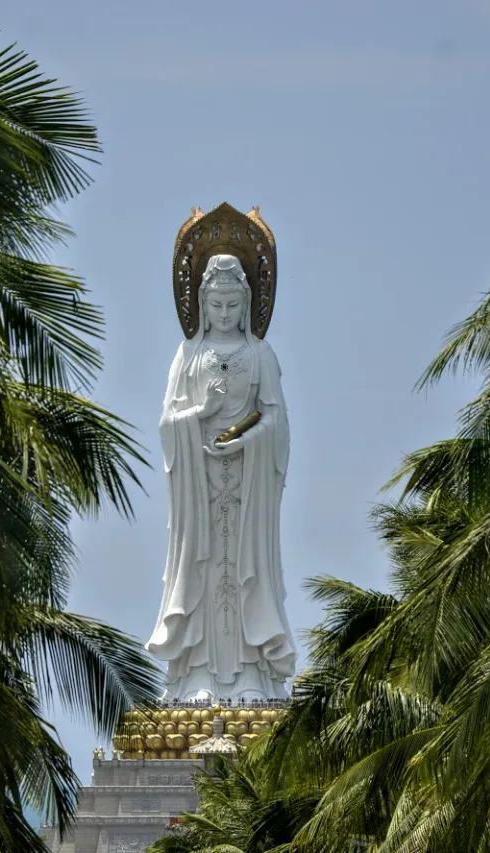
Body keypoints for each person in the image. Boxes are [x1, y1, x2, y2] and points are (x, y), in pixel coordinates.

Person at [147, 254, 297, 701]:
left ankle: (252, 674)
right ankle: (196, 677)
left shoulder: (260, 354)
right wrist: (203, 413)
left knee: (246, 568)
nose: (226, 315)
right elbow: (167, 423)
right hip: (199, 489)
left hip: (248, 489)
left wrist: (247, 441)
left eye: (233, 306)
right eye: (217, 306)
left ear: (247, 304)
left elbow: (277, 421)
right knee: (203, 570)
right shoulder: (189, 355)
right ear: (201, 304)